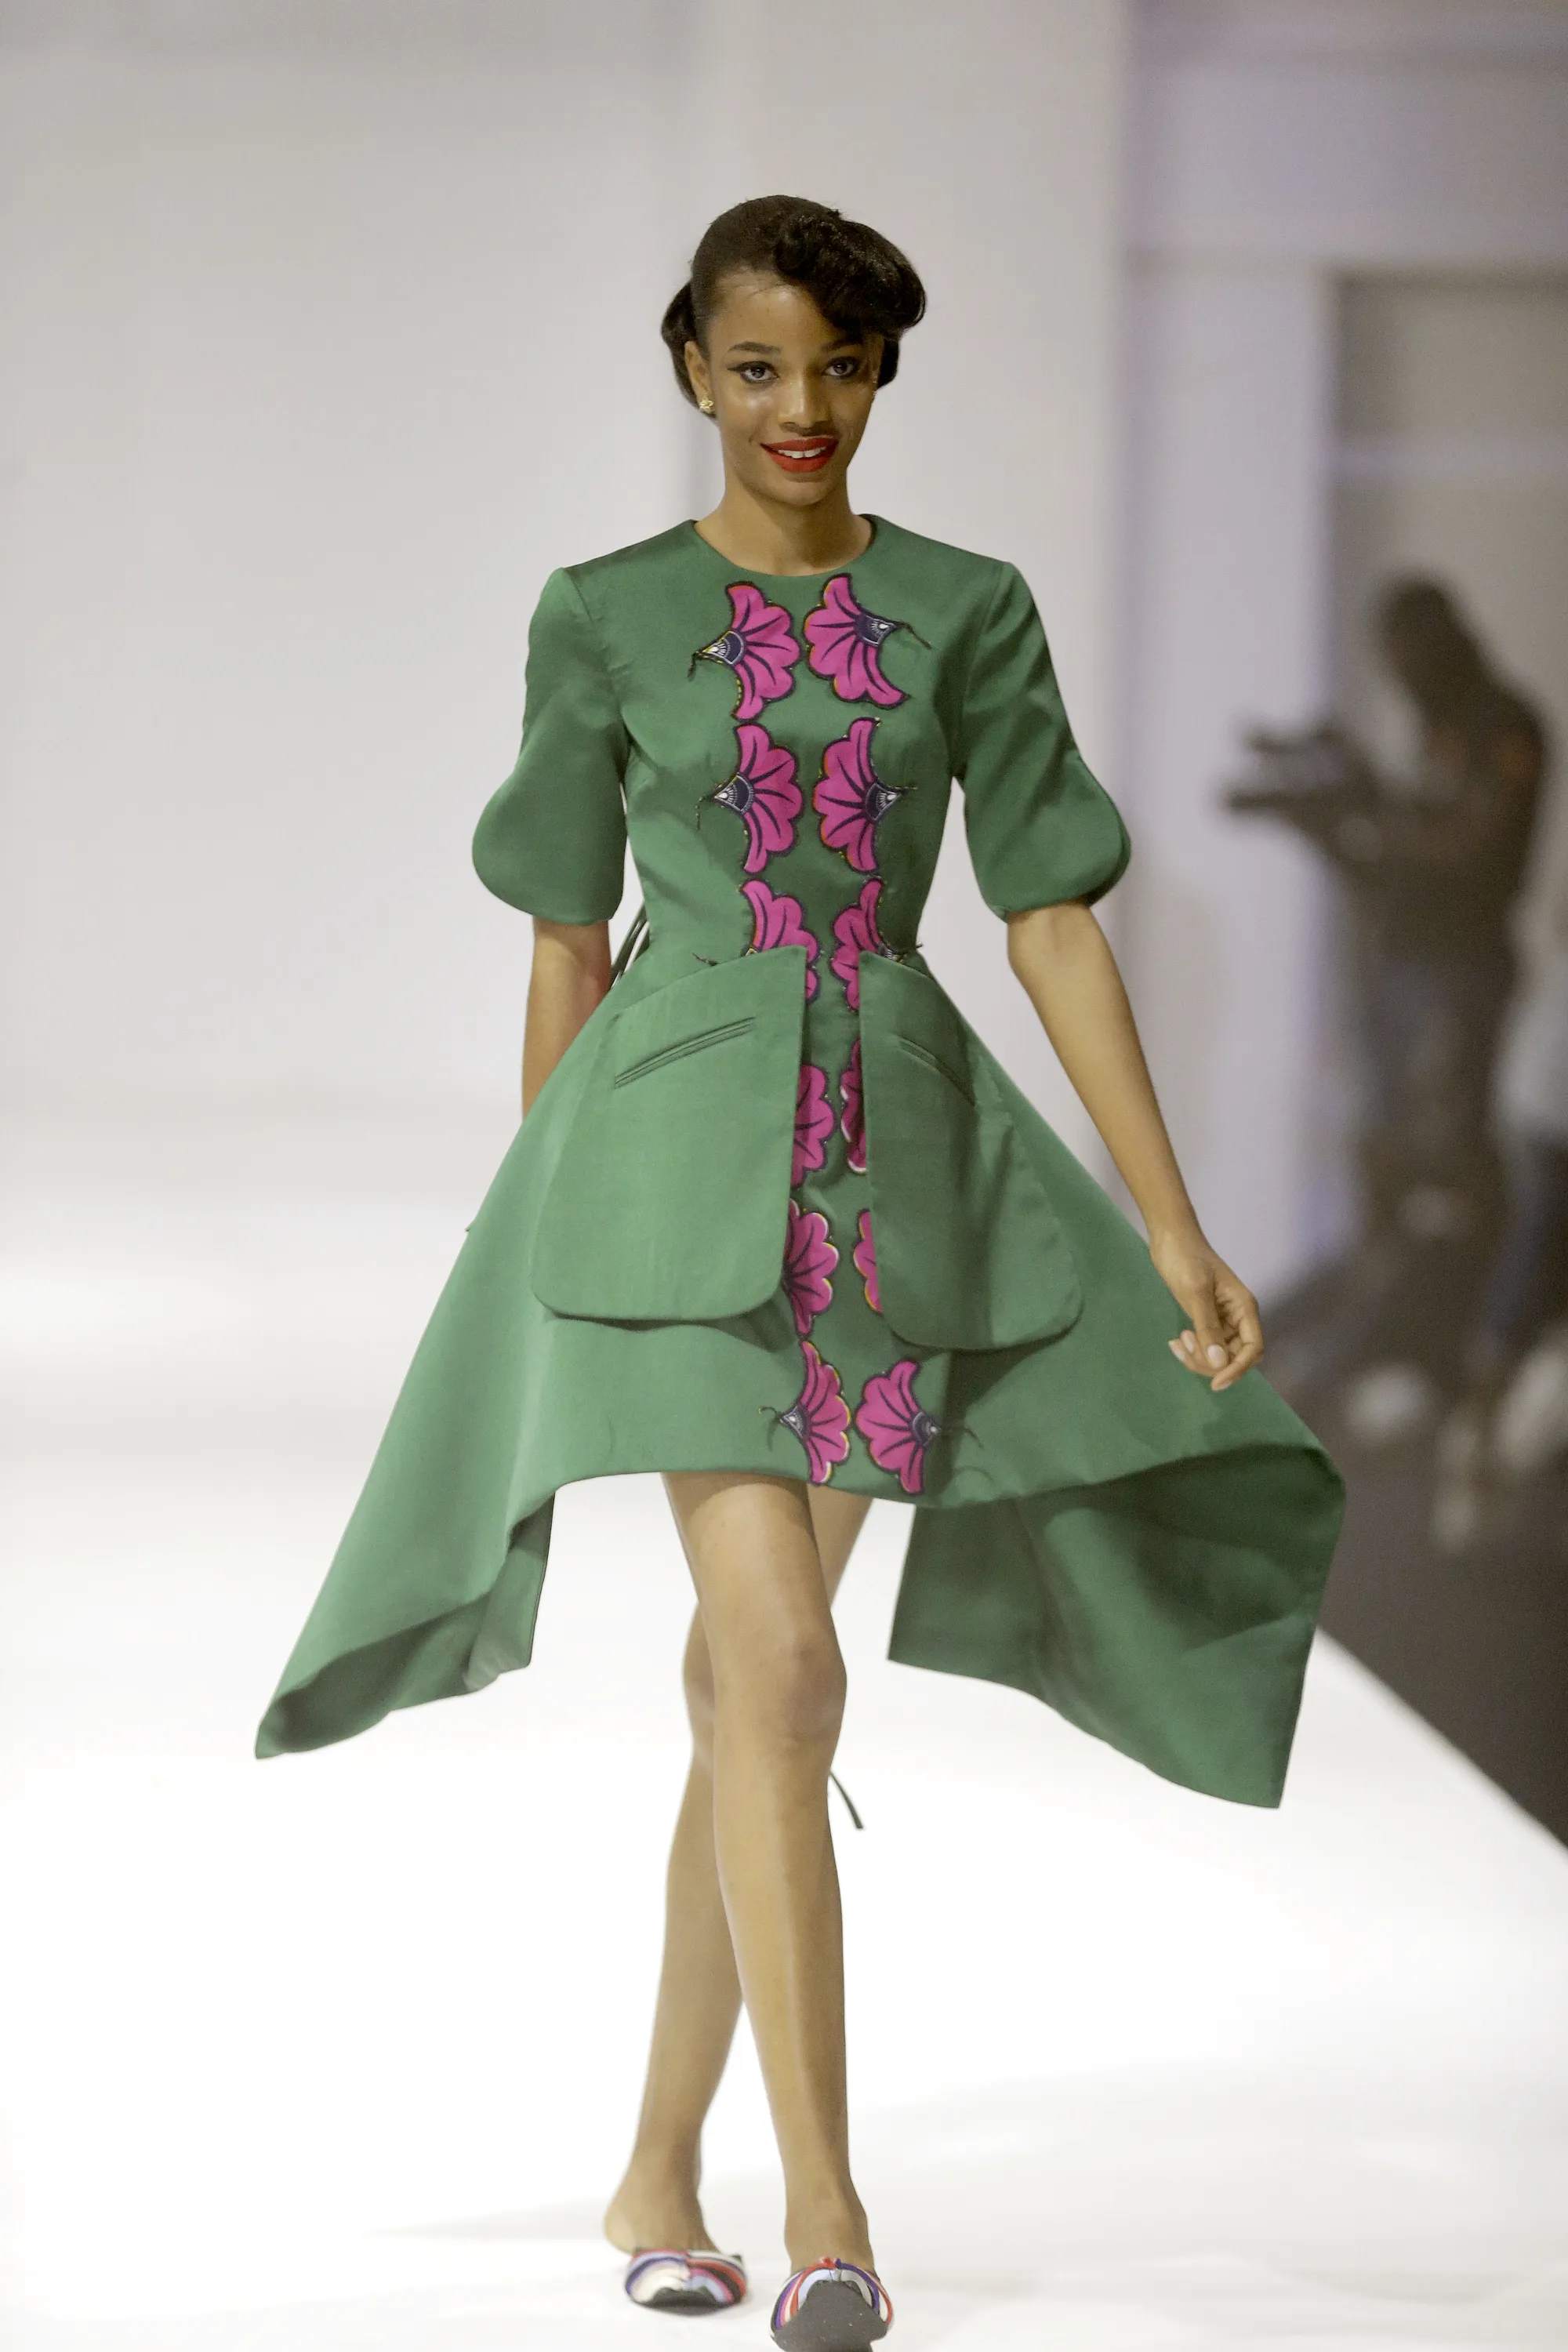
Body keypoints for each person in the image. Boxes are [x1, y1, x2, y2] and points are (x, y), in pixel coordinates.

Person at [256, 197, 1341, 2350]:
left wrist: (1170, 1219)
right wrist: (543, 1231)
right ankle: (830, 2210)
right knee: (783, 1666)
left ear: (881, 374)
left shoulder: (966, 609)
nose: (799, 408)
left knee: (755, 1693)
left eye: (838, 366)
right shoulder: (604, 614)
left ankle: (656, 2172)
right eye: (757, 368)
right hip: (669, 1186)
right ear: (692, 370)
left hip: (893, 1194)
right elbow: (565, 935)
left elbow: (1050, 916)